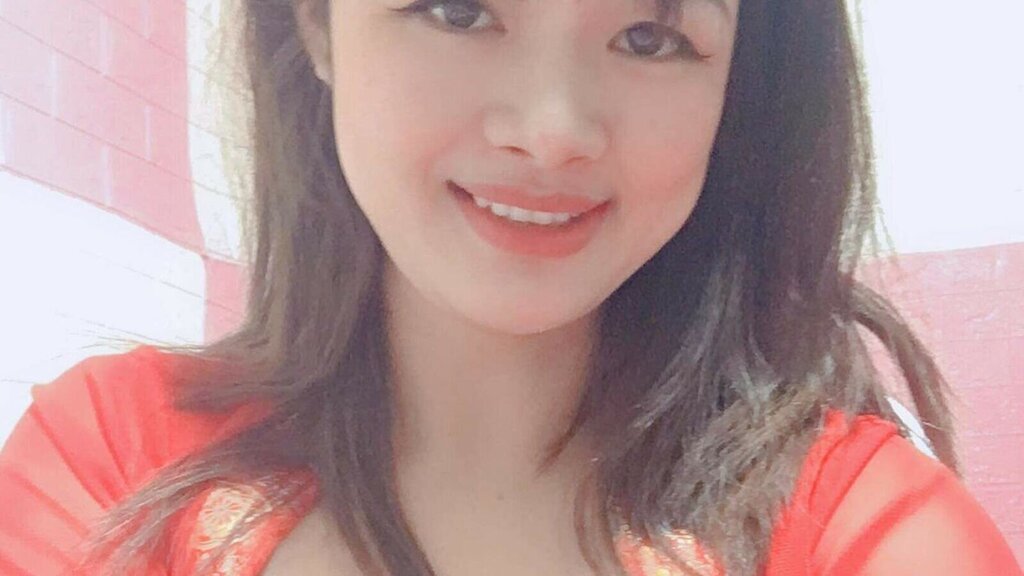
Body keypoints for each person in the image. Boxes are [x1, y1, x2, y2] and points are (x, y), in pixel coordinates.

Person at [0, 0, 1021, 574]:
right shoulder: (111, 468)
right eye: (460, 9)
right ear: (315, 24)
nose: (552, 129)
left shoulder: (868, 540)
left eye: (650, 36)